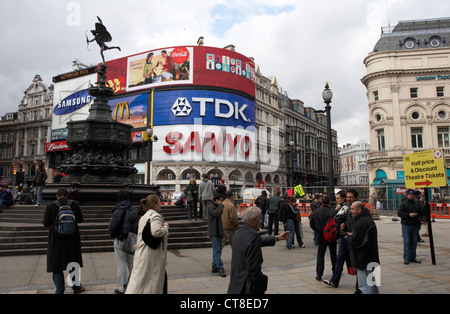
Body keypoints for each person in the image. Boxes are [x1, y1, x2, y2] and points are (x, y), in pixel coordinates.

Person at [227, 206, 289, 294]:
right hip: (247, 285)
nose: (260, 221)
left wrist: (277, 238)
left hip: (236, 281)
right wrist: (261, 282)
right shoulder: (253, 236)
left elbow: (259, 241)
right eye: (260, 219)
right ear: (253, 220)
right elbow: (253, 267)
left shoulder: (240, 232)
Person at [43, 188, 84, 294]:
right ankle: (76, 287)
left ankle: (60, 290)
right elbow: (80, 219)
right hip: (72, 238)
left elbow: (46, 223)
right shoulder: (75, 204)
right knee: (73, 263)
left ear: (57, 196)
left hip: (56, 239)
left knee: (56, 266)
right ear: (67, 195)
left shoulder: (50, 206)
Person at [126, 194, 169, 294]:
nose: (160, 205)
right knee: (152, 280)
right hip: (151, 255)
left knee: (139, 280)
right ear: (154, 205)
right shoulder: (155, 216)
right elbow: (156, 232)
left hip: (142, 253)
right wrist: (166, 227)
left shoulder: (144, 216)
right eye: (159, 203)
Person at [108, 189, 139, 294]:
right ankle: (134, 285)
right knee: (131, 263)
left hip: (120, 238)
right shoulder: (134, 209)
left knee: (121, 264)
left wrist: (112, 232)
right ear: (128, 198)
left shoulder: (119, 209)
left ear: (118, 198)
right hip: (131, 239)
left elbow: (112, 226)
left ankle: (122, 288)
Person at [346, 201, 380, 294]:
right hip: (371, 258)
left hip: (363, 259)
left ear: (359, 210)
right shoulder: (368, 220)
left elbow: (357, 242)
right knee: (372, 283)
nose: (350, 211)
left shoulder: (361, 223)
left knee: (364, 286)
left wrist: (349, 237)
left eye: (353, 209)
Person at [323, 189, 353, 288]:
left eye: (338, 198)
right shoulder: (343, 207)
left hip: (350, 237)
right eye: (348, 197)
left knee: (353, 260)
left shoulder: (347, 208)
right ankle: (334, 280)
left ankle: (361, 283)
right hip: (344, 236)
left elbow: (337, 218)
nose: (336, 200)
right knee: (340, 259)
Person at [309, 195, 337, 281]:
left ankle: (319, 274)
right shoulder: (333, 212)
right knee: (333, 254)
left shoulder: (316, 212)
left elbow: (311, 223)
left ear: (321, 202)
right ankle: (335, 272)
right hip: (332, 235)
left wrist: (317, 230)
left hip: (321, 235)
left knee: (321, 254)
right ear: (329, 202)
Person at [398, 189, 425, 265]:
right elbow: (399, 213)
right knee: (407, 242)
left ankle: (413, 257)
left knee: (414, 242)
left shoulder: (416, 203)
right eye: (409, 195)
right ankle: (406, 258)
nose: (410, 196)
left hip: (414, 224)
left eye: (412, 195)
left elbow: (421, 212)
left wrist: (426, 207)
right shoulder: (404, 203)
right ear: (407, 195)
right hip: (406, 225)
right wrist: (408, 215)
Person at [207, 195, 226, 277]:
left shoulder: (217, 207)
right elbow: (217, 213)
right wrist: (221, 206)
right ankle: (220, 267)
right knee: (217, 250)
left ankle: (214, 266)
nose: (221, 202)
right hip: (213, 231)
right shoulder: (210, 207)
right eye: (220, 200)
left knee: (217, 250)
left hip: (218, 231)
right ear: (216, 200)